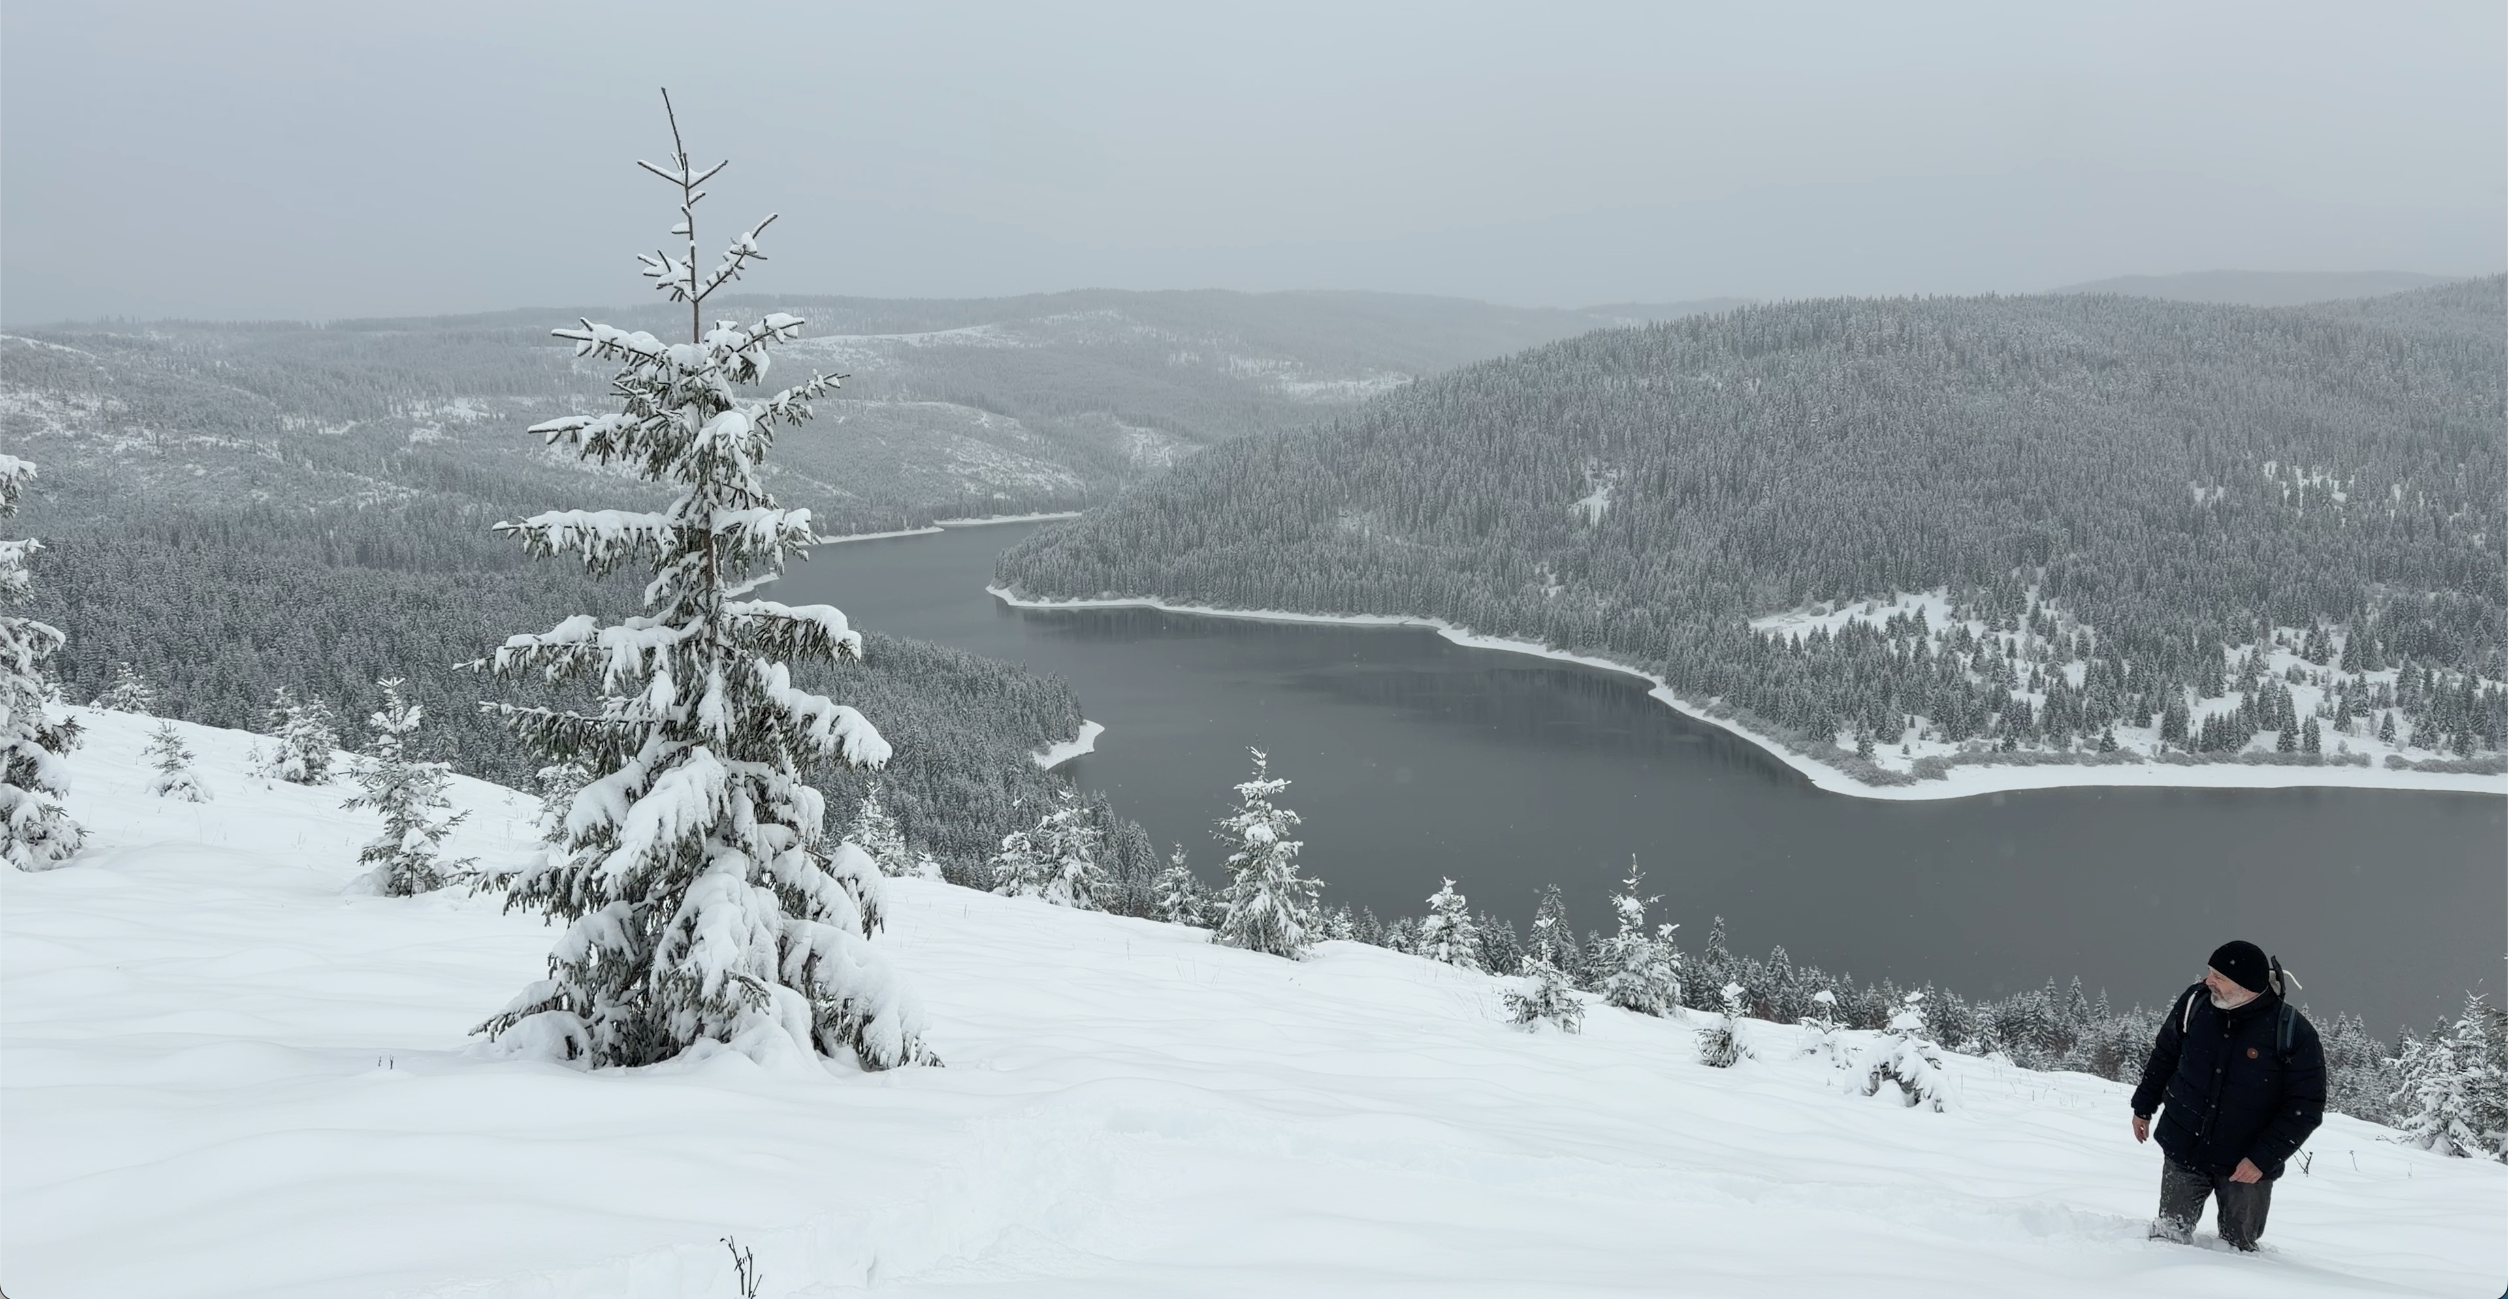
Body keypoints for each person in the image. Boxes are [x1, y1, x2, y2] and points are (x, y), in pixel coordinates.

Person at [2129, 940, 2325, 1251]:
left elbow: (2305, 1107)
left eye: (2218, 977)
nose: (2208, 981)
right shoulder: (2196, 1003)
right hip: (2184, 1146)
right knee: (2167, 1238)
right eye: (2210, 972)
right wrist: (2143, 1106)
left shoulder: (2292, 1032)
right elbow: (2166, 1054)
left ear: (2246, 986)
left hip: (2245, 1166)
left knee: (2239, 1250)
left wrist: (2261, 1159)